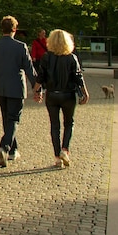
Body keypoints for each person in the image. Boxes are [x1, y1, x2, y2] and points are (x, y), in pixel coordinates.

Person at [32, 29, 89, 168]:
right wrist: (85, 93)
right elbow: (78, 77)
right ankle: (65, 149)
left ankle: (57, 156)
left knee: (54, 125)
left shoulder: (46, 57)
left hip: (52, 95)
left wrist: (36, 90)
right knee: (69, 123)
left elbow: (40, 76)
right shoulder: (71, 58)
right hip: (68, 95)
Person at [0, 15, 35, 168]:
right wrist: (37, 86)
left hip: (0, 87)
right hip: (16, 87)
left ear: (2, 29)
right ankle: (4, 147)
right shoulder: (20, 46)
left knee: (6, 118)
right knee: (14, 119)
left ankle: (13, 150)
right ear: (15, 29)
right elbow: (29, 68)